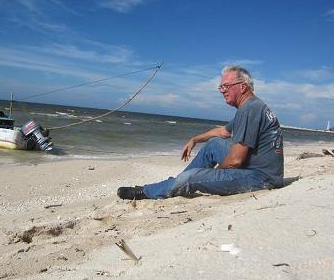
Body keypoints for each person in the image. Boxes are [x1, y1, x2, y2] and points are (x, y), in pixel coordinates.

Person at [117, 65, 283, 200]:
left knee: (192, 178)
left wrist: (211, 174)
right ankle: (175, 184)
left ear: (243, 87)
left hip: (261, 178)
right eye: (220, 87)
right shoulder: (251, 106)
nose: (222, 91)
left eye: (226, 86)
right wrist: (195, 139)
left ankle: (146, 192)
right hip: (256, 168)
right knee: (213, 144)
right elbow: (223, 132)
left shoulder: (249, 109)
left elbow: (235, 160)